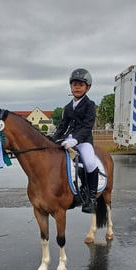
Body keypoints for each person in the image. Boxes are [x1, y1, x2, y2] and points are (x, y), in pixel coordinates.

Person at [51, 68, 99, 213]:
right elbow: (62, 127)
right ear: (71, 86)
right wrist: (52, 141)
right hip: (67, 139)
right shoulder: (67, 107)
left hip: (83, 141)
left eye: (81, 85)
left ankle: (91, 198)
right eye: (74, 84)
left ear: (87, 88)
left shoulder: (90, 105)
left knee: (90, 162)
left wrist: (76, 140)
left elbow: (87, 126)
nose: (77, 87)